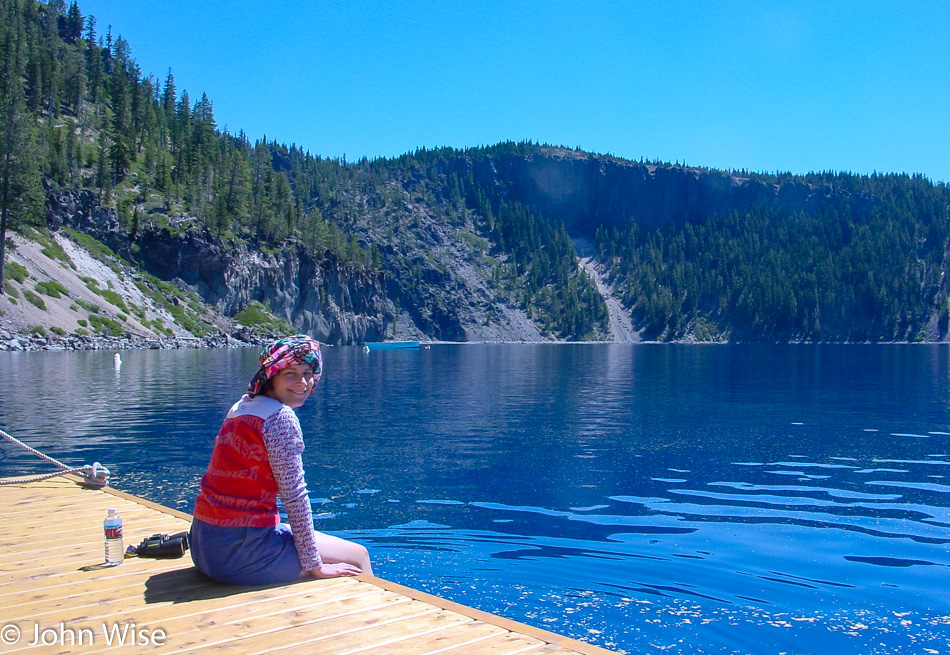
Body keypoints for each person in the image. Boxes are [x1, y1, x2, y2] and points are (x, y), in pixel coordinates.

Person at [190, 334, 373, 585]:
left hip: (204, 544)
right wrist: (315, 566)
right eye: (291, 373)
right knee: (357, 557)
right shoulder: (279, 418)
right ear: (271, 376)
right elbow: (294, 495)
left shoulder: (242, 407)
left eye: (308, 373)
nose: (303, 382)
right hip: (240, 552)